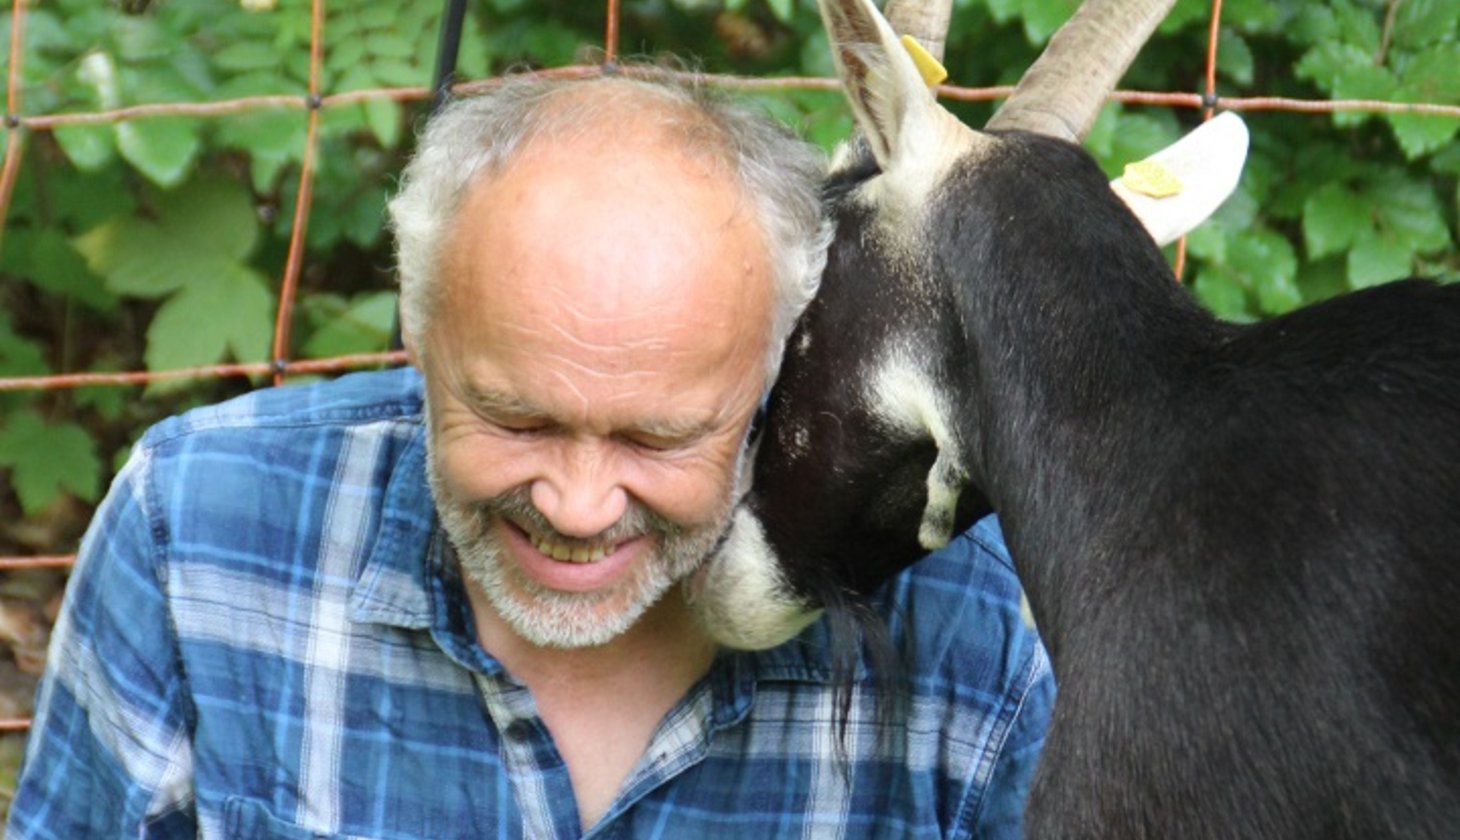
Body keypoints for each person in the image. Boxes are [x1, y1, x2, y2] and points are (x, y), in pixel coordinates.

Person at [7, 71, 1053, 838]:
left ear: (779, 371)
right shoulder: (195, 530)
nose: (578, 505)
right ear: (420, 338)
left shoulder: (979, 626)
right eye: (517, 422)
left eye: (657, 436)